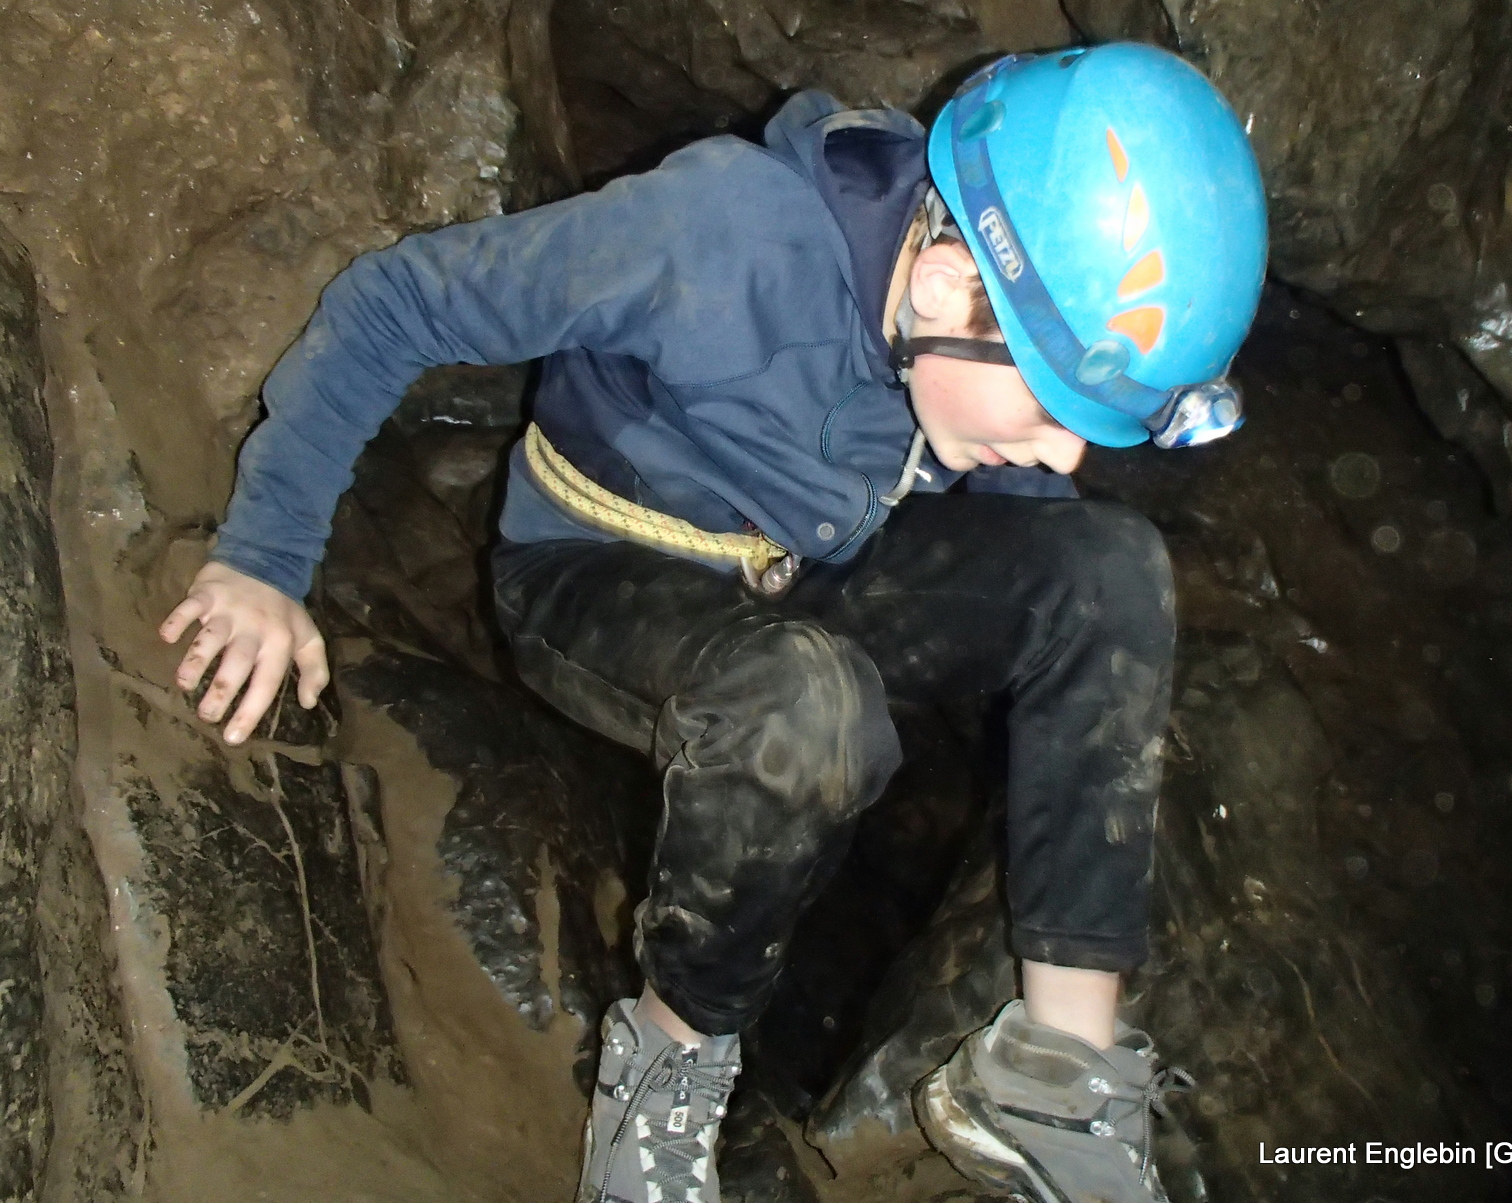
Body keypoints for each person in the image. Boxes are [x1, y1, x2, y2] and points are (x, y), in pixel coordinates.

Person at [158, 42, 1267, 1203]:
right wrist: (264, 561)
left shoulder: (957, 342)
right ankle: (667, 1062)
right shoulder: (717, 237)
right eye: (1048, 403)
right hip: (595, 570)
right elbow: (398, 302)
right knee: (808, 707)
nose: (1062, 452)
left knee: (1109, 569)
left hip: (805, 570)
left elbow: (1033, 554)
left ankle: (1057, 1066)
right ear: (944, 283)